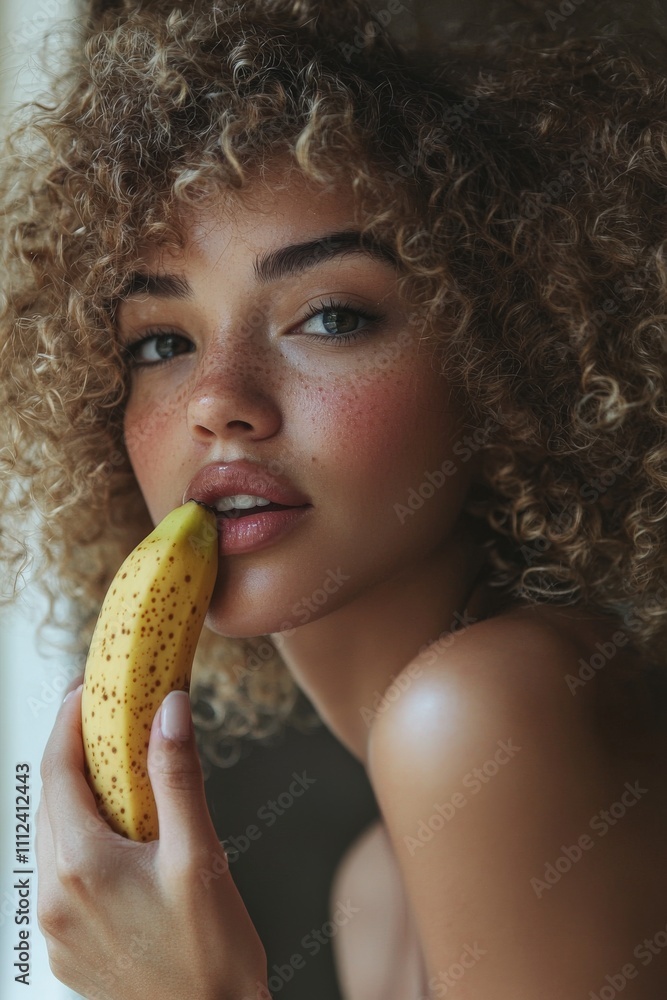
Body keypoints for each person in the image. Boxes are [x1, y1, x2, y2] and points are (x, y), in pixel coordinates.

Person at [1, 0, 667, 996]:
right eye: (161, 342)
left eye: (331, 316)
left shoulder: (476, 717)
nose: (218, 401)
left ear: (506, 366)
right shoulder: (378, 883)